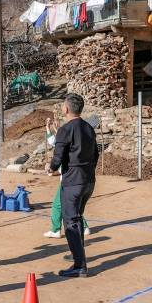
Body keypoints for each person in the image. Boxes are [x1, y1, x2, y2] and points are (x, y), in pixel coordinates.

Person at [46, 93, 98, 278]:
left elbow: (58, 157)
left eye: (62, 105)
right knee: (77, 218)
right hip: (88, 181)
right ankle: (78, 256)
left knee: (71, 222)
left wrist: (51, 168)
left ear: (66, 109)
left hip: (73, 182)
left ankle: (79, 265)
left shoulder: (66, 130)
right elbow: (96, 154)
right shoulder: (89, 128)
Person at [44, 119, 88, 240]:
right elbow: (56, 140)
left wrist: (50, 169)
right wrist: (53, 128)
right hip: (82, 179)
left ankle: (56, 230)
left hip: (69, 181)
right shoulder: (78, 141)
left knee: (57, 205)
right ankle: (84, 227)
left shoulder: (64, 144)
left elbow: (55, 142)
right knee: (74, 206)